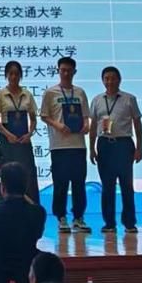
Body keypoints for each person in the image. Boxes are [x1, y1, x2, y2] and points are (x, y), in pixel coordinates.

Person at [89, 65, 142, 234]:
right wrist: (91, 148)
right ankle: (109, 223)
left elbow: (137, 124)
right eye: (106, 78)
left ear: (119, 80)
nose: (110, 81)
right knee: (107, 186)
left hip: (124, 145)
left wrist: (139, 148)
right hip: (104, 145)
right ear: (102, 80)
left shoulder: (129, 99)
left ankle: (129, 223)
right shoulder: (97, 100)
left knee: (127, 185)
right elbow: (93, 126)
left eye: (113, 78)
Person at [40, 56, 92, 233]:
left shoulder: (80, 92)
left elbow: (86, 115)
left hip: (78, 145)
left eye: (69, 70)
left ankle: (78, 218)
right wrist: (58, 125)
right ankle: (61, 217)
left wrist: (86, 125)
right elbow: (44, 115)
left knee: (79, 183)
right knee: (60, 183)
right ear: (58, 71)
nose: (66, 73)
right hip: (59, 146)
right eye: (63, 70)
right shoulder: (50, 93)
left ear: (74, 72)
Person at [0, 61, 39, 203]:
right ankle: (7, 206)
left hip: (24, 140)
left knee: (28, 173)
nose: (13, 77)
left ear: (21, 75)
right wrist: (8, 134)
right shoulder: (0, 94)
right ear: (6, 75)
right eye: (11, 73)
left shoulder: (27, 94)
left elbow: (33, 119)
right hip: (7, 139)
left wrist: (29, 134)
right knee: (7, 173)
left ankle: (30, 207)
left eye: (16, 74)